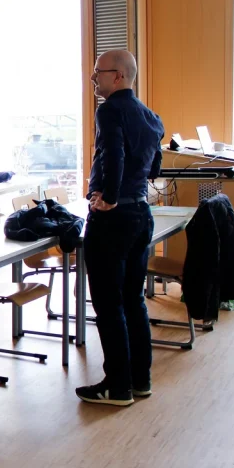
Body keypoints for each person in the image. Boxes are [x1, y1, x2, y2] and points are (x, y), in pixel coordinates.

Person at [76, 50, 164, 407]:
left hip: (113, 220)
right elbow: (154, 165)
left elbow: (113, 153)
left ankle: (117, 387)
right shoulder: (149, 115)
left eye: (98, 72)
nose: (93, 78)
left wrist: (110, 195)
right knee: (133, 301)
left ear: (119, 76)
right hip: (140, 214)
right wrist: (128, 189)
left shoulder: (109, 109)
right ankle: (139, 380)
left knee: (109, 305)